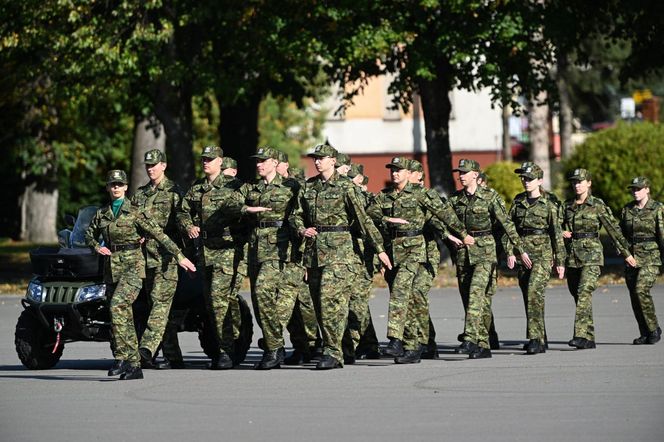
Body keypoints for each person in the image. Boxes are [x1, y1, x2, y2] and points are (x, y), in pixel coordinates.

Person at [85, 170, 196, 380]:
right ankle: (122, 358)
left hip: (133, 268)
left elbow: (159, 234)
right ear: (108, 188)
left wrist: (180, 257)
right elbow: (89, 235)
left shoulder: (135, 212)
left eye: (120, 184)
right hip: (112, 270)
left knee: (118, 305)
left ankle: (134, 362)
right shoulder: (102, 214)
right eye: (112, 184)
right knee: (120, 315)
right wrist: (96, 248)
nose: (116, 187)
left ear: (126, 187)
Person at [295, 143, 392, 369]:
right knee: (320, 304)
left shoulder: (346, 188)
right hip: (314, 252)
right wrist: (302, 229)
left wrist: (380, 249)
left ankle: (333, 353)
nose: (317, 161)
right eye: (315, 158)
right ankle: (346, 348)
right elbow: (296, 216)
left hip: (340, 253)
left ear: (333, 161)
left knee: (330, 302)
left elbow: (363, 220)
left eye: (322, 158)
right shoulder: (309, 188)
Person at [367, 157, 472, 363]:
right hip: (393, 252)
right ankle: (418, 345)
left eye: (399, 170)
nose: (394, 173)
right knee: (414, 300)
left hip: (415, 250)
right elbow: (370, 212)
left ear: (409, 173)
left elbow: (443, 214)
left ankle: (396, 339)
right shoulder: (385, 195)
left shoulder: (421, 193)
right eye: (392, 170)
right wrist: (388, 219)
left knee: (400, 292)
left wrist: (462, 233)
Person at [449, 159, 530, 359]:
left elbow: (507, 225)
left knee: (477, 292)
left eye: (465, 173)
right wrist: (450, 236)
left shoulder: (490, 197)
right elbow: (443, 220)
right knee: (474, 300)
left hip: (485, 252)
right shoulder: (455, 199)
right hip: (463, 255)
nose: (461, 176)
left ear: (475, 175)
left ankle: (469, 338)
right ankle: (483, 345)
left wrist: (519, 250)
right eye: (459, 172)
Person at [177, 146, 245, 369]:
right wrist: (188, 226)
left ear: (220, 161)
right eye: (203, 159)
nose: (205, 162)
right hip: (204, 251)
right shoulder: (197, 187)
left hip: (226, 250)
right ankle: (230, 344)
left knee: (219, 301)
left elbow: (245, 212)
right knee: (212, 303)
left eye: (210, 159)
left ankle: (226, 351)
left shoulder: (234, 186)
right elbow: (182, 210)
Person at [241, 147, 305, 369]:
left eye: (263, 161)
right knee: (260, 302)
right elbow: (228, 204)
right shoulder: (252, 187)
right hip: (256, 247)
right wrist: (245, 209)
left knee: (263, 290)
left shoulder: (291, 186)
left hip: (281, 247)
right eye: (257, 161)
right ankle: (276, 346)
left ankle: (273, 347)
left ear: (275, 163)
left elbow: (302, 215)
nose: (259, 164)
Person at [562, 168, 635, 349]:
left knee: (583, 291)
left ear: (589, 183)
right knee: (578, 296)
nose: (577, 185)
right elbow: (555, 228)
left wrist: (626, 253)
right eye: (574, 182)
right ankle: (589, 338)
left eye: (580, 181)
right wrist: (561, 232)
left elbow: (613, 229)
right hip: (572, 257)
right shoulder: (566, 206)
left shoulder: (597, 205)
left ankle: (579, 334)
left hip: (592, 256)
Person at [130, 149, 186, 369]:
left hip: (166, 259)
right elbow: (131, 221)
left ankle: (146, 350)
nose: (150, 169)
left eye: (154, 165)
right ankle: (173, 357)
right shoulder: (140, 194)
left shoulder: (174, 192)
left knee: (160, 306)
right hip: (143, 259)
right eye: (147, 165)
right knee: (158, 306)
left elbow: (182, 219)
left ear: (164, 165)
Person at [505, 163, 566, 355]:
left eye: (529, 178)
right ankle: (541, 337)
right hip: (523, 255)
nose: (525, 181)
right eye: (523, 178)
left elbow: (557, 234)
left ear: (539, 181)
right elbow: (509, 229)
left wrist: (560, 261)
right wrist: (510, 252)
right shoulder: (518, 202)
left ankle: (534, 340)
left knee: (533, 292)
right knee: (530, 297)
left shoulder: (549, 206)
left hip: (543, 256)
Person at [274, 150, 322, 364]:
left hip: (298, 252)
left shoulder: (296, 187)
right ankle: (301, 346)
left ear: (284, 165)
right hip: (280, 253)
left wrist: (304, 259)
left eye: (278, 163)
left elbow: (303, 220)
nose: (274, 167)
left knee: (304, 303)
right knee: (291, 304)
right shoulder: (270, 188)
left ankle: (313, 344)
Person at [619, 176, 662, 345]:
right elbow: (620, 233)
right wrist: (623, 250)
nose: (635, 192)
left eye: (639, 189)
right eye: (633, 189)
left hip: (651, 256)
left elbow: (662, 235)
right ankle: (644, 332)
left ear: (647, 189)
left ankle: (653, 328)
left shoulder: (657, 208)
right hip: (632, 257)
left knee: (641, 289)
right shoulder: (627, 210)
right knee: (634, 296)